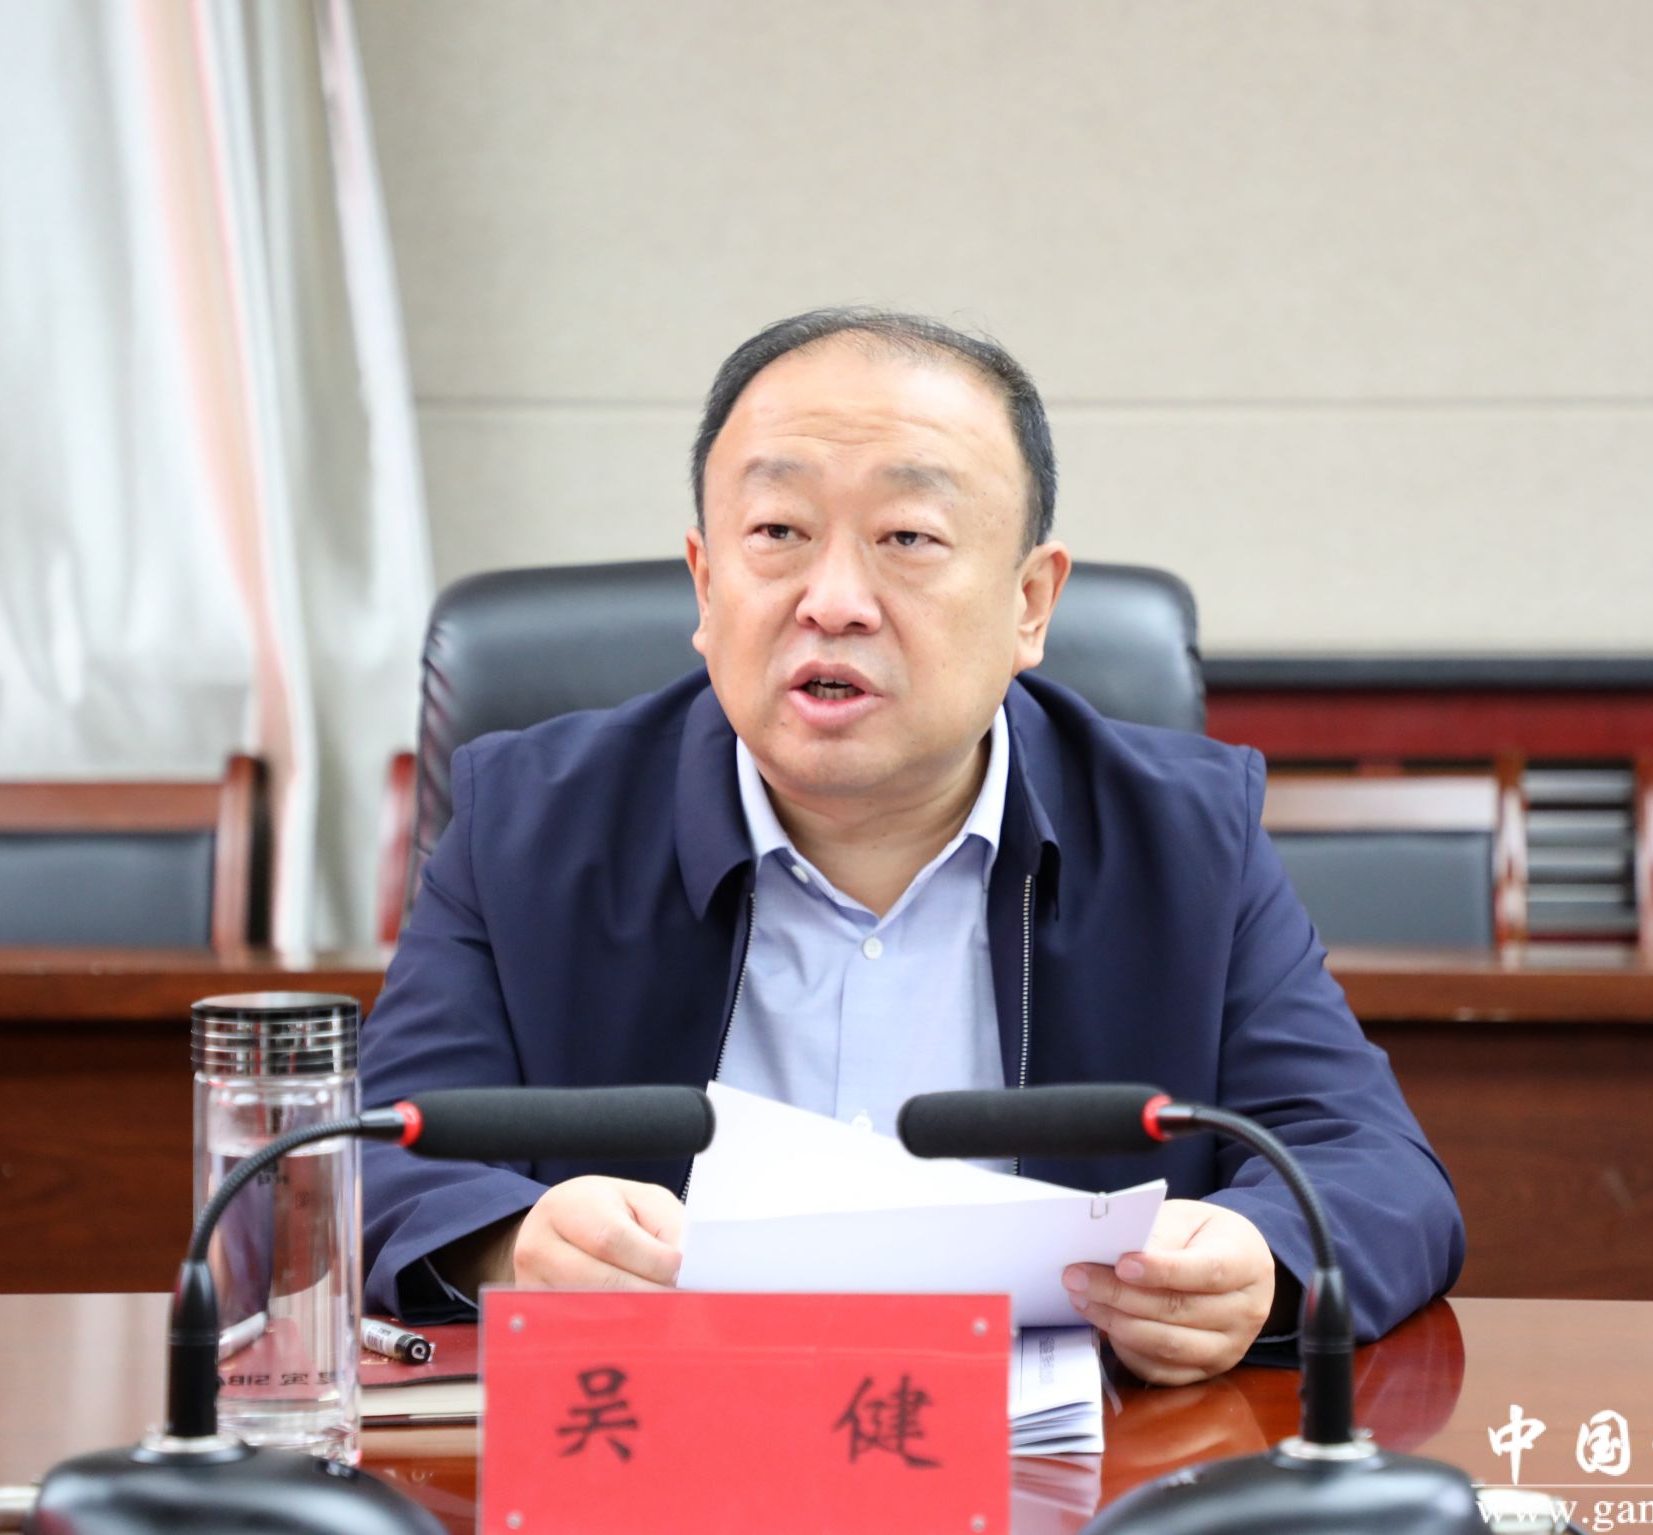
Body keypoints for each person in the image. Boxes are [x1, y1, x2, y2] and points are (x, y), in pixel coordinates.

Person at [359, 307, 1464, 1386]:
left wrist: (1255, 1260)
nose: (833, 601)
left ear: (1029, 602)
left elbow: (1375, 1172)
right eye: (777, 533)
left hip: (1068, 1471)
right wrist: (513, 1246)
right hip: (652, 1454)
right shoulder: (527, 822)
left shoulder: (1183, 835)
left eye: (907, 539)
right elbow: (357, 1159)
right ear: (704, 583)